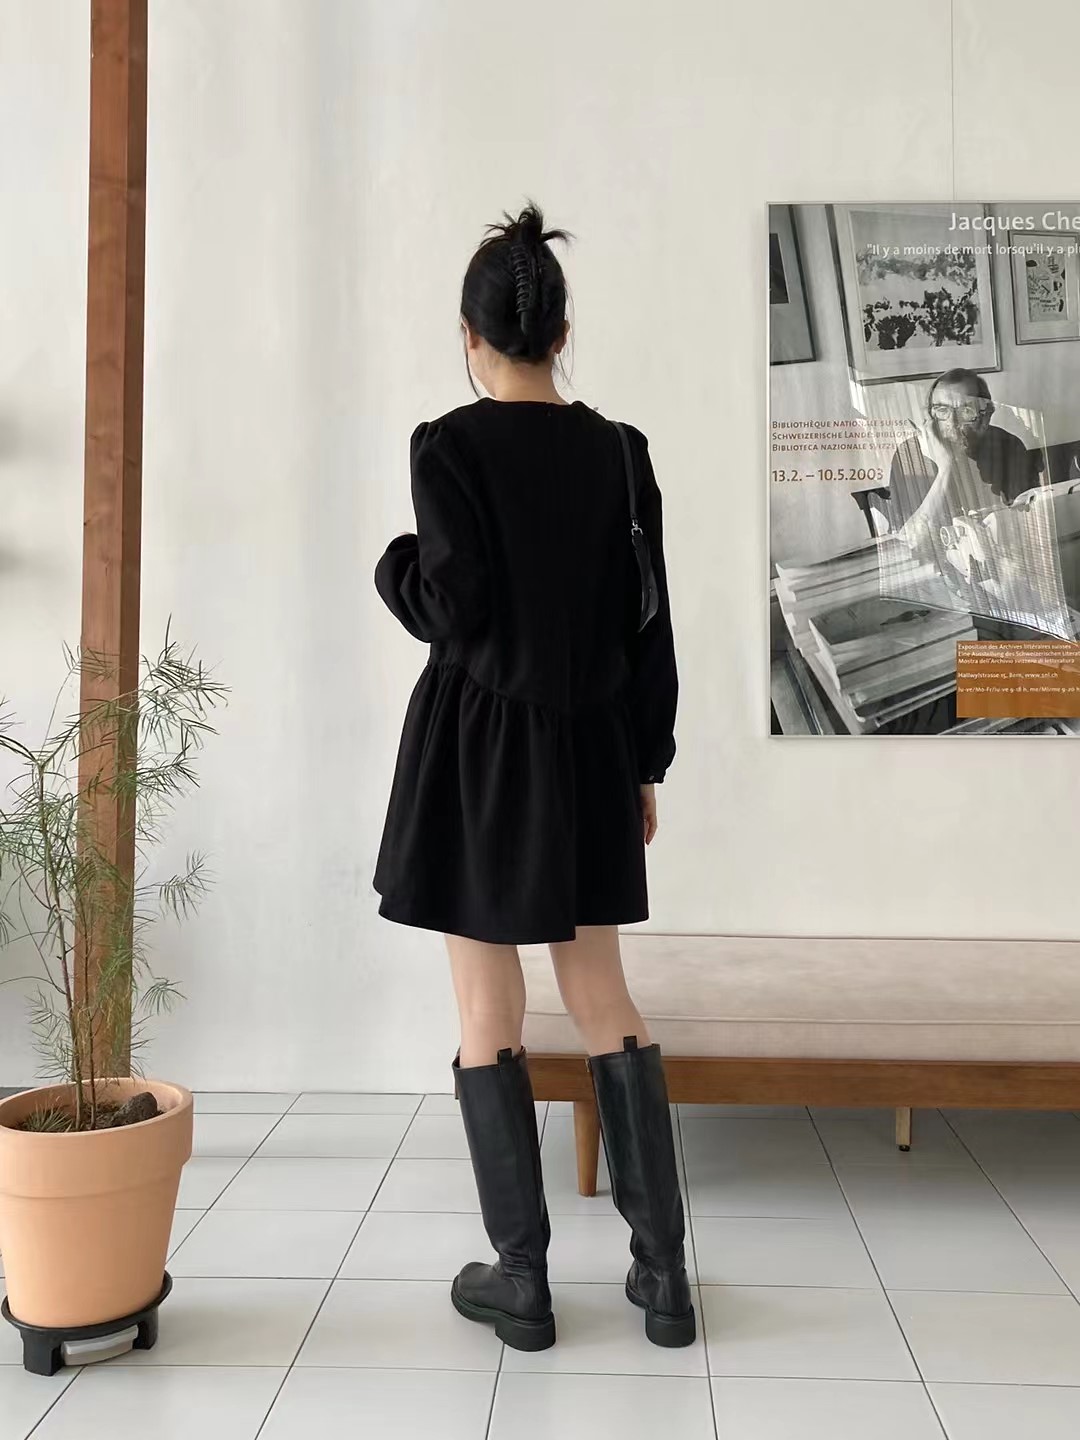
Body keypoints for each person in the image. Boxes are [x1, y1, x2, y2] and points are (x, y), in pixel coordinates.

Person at [373, 203, 691, 1353]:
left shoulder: (448, 447)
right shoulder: (621, 453)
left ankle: (524, 1282)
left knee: (486, 1011)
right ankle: (664, 1278)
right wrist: (644, 761)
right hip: (591, 744)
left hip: (478, 754)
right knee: (604, 999)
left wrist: (394, 567)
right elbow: (648, 625)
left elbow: (449, 604)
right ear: (563, 334)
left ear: (470, 336)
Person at [887, 368, 1035, 543]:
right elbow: (909, 540)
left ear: (986, 416)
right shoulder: (908, 455)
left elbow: (1028, 523)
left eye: (966, 410)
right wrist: (945, 467)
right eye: (942, 410)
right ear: (929, 416)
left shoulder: (1008, 445)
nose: (952, 422)